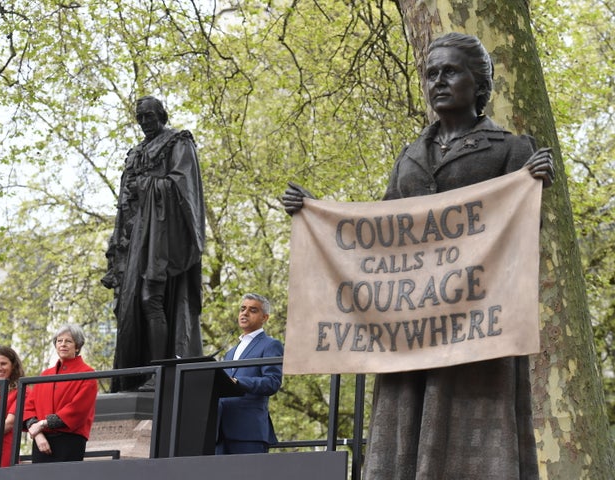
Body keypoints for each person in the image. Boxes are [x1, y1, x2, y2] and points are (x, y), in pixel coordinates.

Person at [282, 33, 554, 479]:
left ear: (479, 84)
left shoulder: (511, 149)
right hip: (408, 332)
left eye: (451, 72)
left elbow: (522, 238)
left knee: (472, 436)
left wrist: (533, 191)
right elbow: (380, 238)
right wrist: (319, 216)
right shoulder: (409, 156)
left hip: (475, 330)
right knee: (400, 432)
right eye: (431, 73)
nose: (438, 81)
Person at [102, 95, 206, 392]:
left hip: (162, 236)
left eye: (150, 116)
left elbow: (182, 187)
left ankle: (161, 372)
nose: (146, 122)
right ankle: (137, 375)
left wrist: (146, 185)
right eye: (141, 118)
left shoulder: (178, 142)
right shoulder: (136, 152)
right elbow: (125, 203)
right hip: (136, 239)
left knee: (152, 299)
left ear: (162, 115)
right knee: (131, 305)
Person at [216, 293, 284, 455]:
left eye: (252, 310)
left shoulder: (271, 345)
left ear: (265, 317)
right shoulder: (230, 353)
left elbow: (272, 382)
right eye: (242, 309)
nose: (245, 313)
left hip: (248, 432)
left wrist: (238, 382)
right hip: (220, 432)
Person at [23, 324, 98, 463]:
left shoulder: (87, 374)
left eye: (68, 341)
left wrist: (42, 424)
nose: (63, 344)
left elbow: (77, 410)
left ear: (77, 346)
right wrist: (38, 434)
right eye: (59, 341)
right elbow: (28, 408)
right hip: (41, 441)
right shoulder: (45, 375)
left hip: (69, 441)